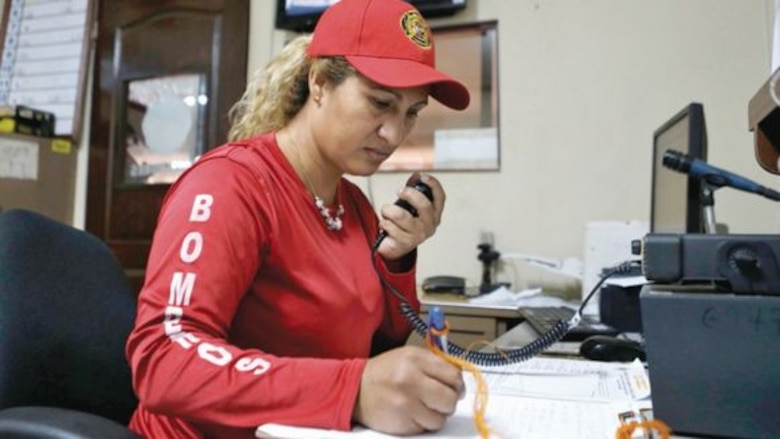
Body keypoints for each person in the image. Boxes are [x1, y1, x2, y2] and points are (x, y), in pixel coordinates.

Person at [125, 0, 471, 437]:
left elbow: (379, 347)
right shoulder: (229, 185)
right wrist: (351, 390)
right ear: (320, 83)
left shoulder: (354, 205)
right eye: (380, 102)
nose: (394, 134)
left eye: (411, 113)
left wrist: (397, 259)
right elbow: (164, 361)